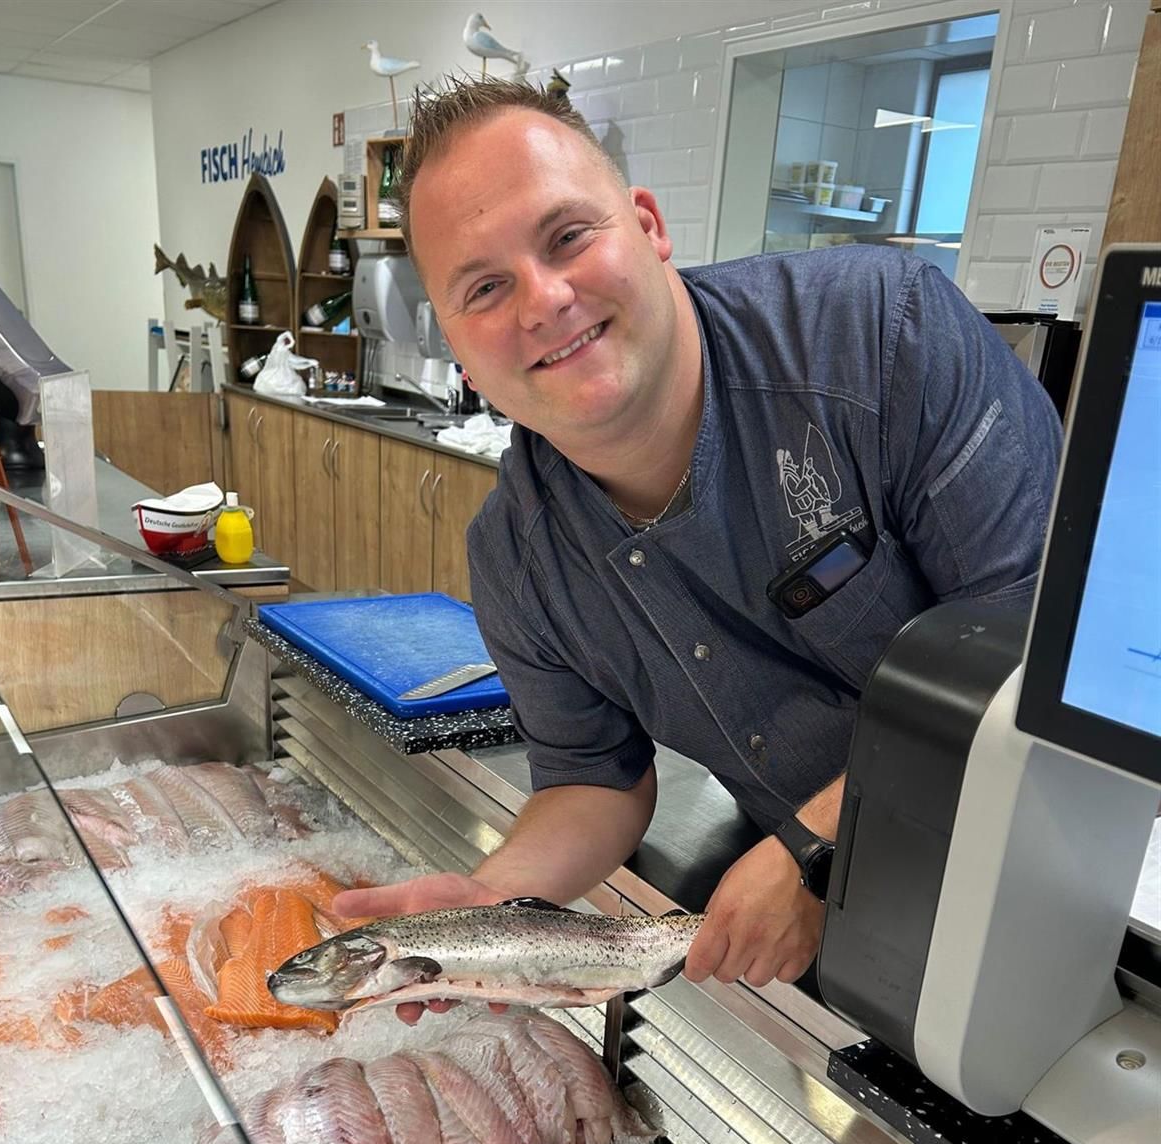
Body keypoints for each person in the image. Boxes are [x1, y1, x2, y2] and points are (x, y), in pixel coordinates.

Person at [335, 77, 1063, 1022]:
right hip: (838, 938)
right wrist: (495, 898)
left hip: (1069, 884)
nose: (545, 300)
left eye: (567, 238)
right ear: (458, 349)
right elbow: (593, 780)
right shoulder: (518, 557)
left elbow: (1047, 656)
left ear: (647, 224)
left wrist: (814, 853)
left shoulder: (884, 337)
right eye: (484, 287)